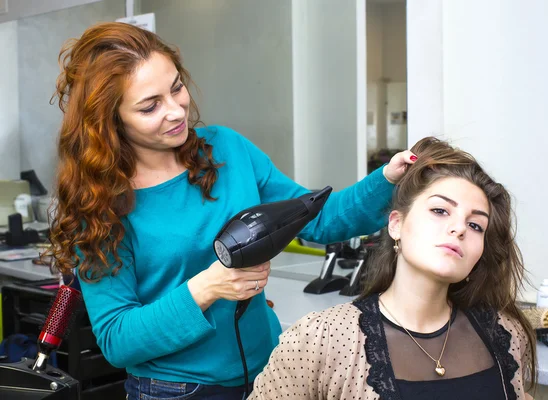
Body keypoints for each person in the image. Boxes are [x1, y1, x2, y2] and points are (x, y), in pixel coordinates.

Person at [46, 22, 417, 400]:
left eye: (176, 88)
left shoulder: (226, 150)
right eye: (150, 106)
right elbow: (118, 339)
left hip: (272, 374)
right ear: (110, 119)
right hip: (174, 390)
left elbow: (318, 216)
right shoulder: (99, 202)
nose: (176, 111)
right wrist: (207, 288)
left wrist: (388, 178)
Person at [250, 137, 538, 400]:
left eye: (476, 225)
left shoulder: (507, 333)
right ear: (396, 224)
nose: (459, 228)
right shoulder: (320, 340)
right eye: (440, 210)